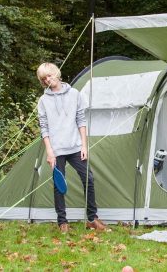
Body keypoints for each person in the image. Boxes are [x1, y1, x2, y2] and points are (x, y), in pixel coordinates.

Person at [36, 62, 105, 233]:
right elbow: (43, 127)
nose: (47, 80)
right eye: (43, 78)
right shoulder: (43, 101)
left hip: (75, 147)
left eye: (49, 76)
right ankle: (62, 222)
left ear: (56, 74)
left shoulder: (74, 94)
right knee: (59, 185)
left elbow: (81, 120)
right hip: (56, 150)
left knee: (88, 178)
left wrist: (84, 145)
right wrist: (49, 151)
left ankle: (92, 219)